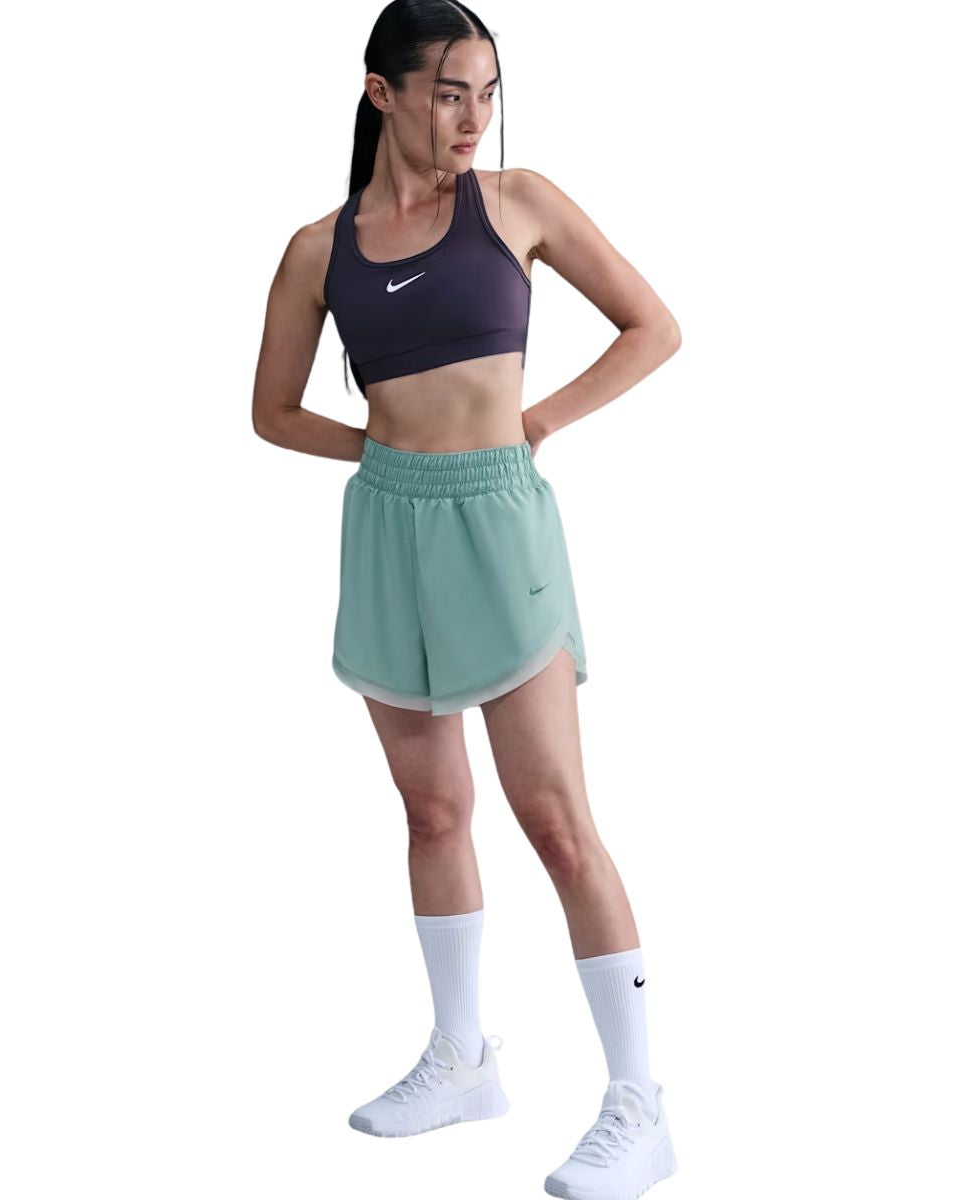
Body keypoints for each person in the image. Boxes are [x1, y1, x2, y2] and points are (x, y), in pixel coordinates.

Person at [252, 4, 681, 1196]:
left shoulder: (518, 201)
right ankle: (461, 1059)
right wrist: (385, 454)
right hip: (389, 526)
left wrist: (534, 423)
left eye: (487, 92)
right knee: (433, 811)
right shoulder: (317, 248)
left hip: (499, 518)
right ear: (382, 92)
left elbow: (654, 327)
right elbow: (271, 411)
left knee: (556, 818)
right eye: (449, 92)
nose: (472, 118)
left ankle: (640, 1103)